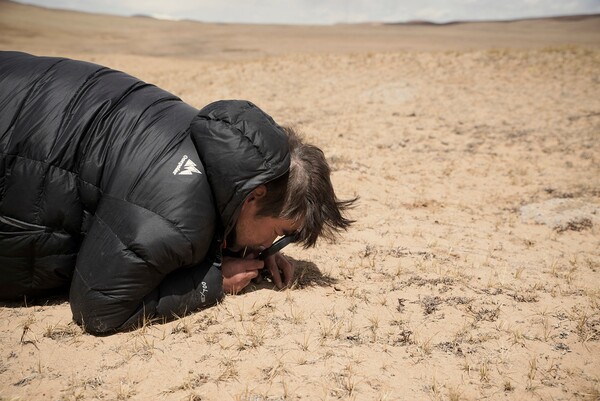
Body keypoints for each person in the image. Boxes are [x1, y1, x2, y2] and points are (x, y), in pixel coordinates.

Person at [0, 51, 356, 334]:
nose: (271, 245)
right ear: (255, 196)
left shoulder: (215, 145)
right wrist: (215, 281)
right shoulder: (176, 210)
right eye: (278, 233)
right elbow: (100, 308)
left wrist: (252, 249)